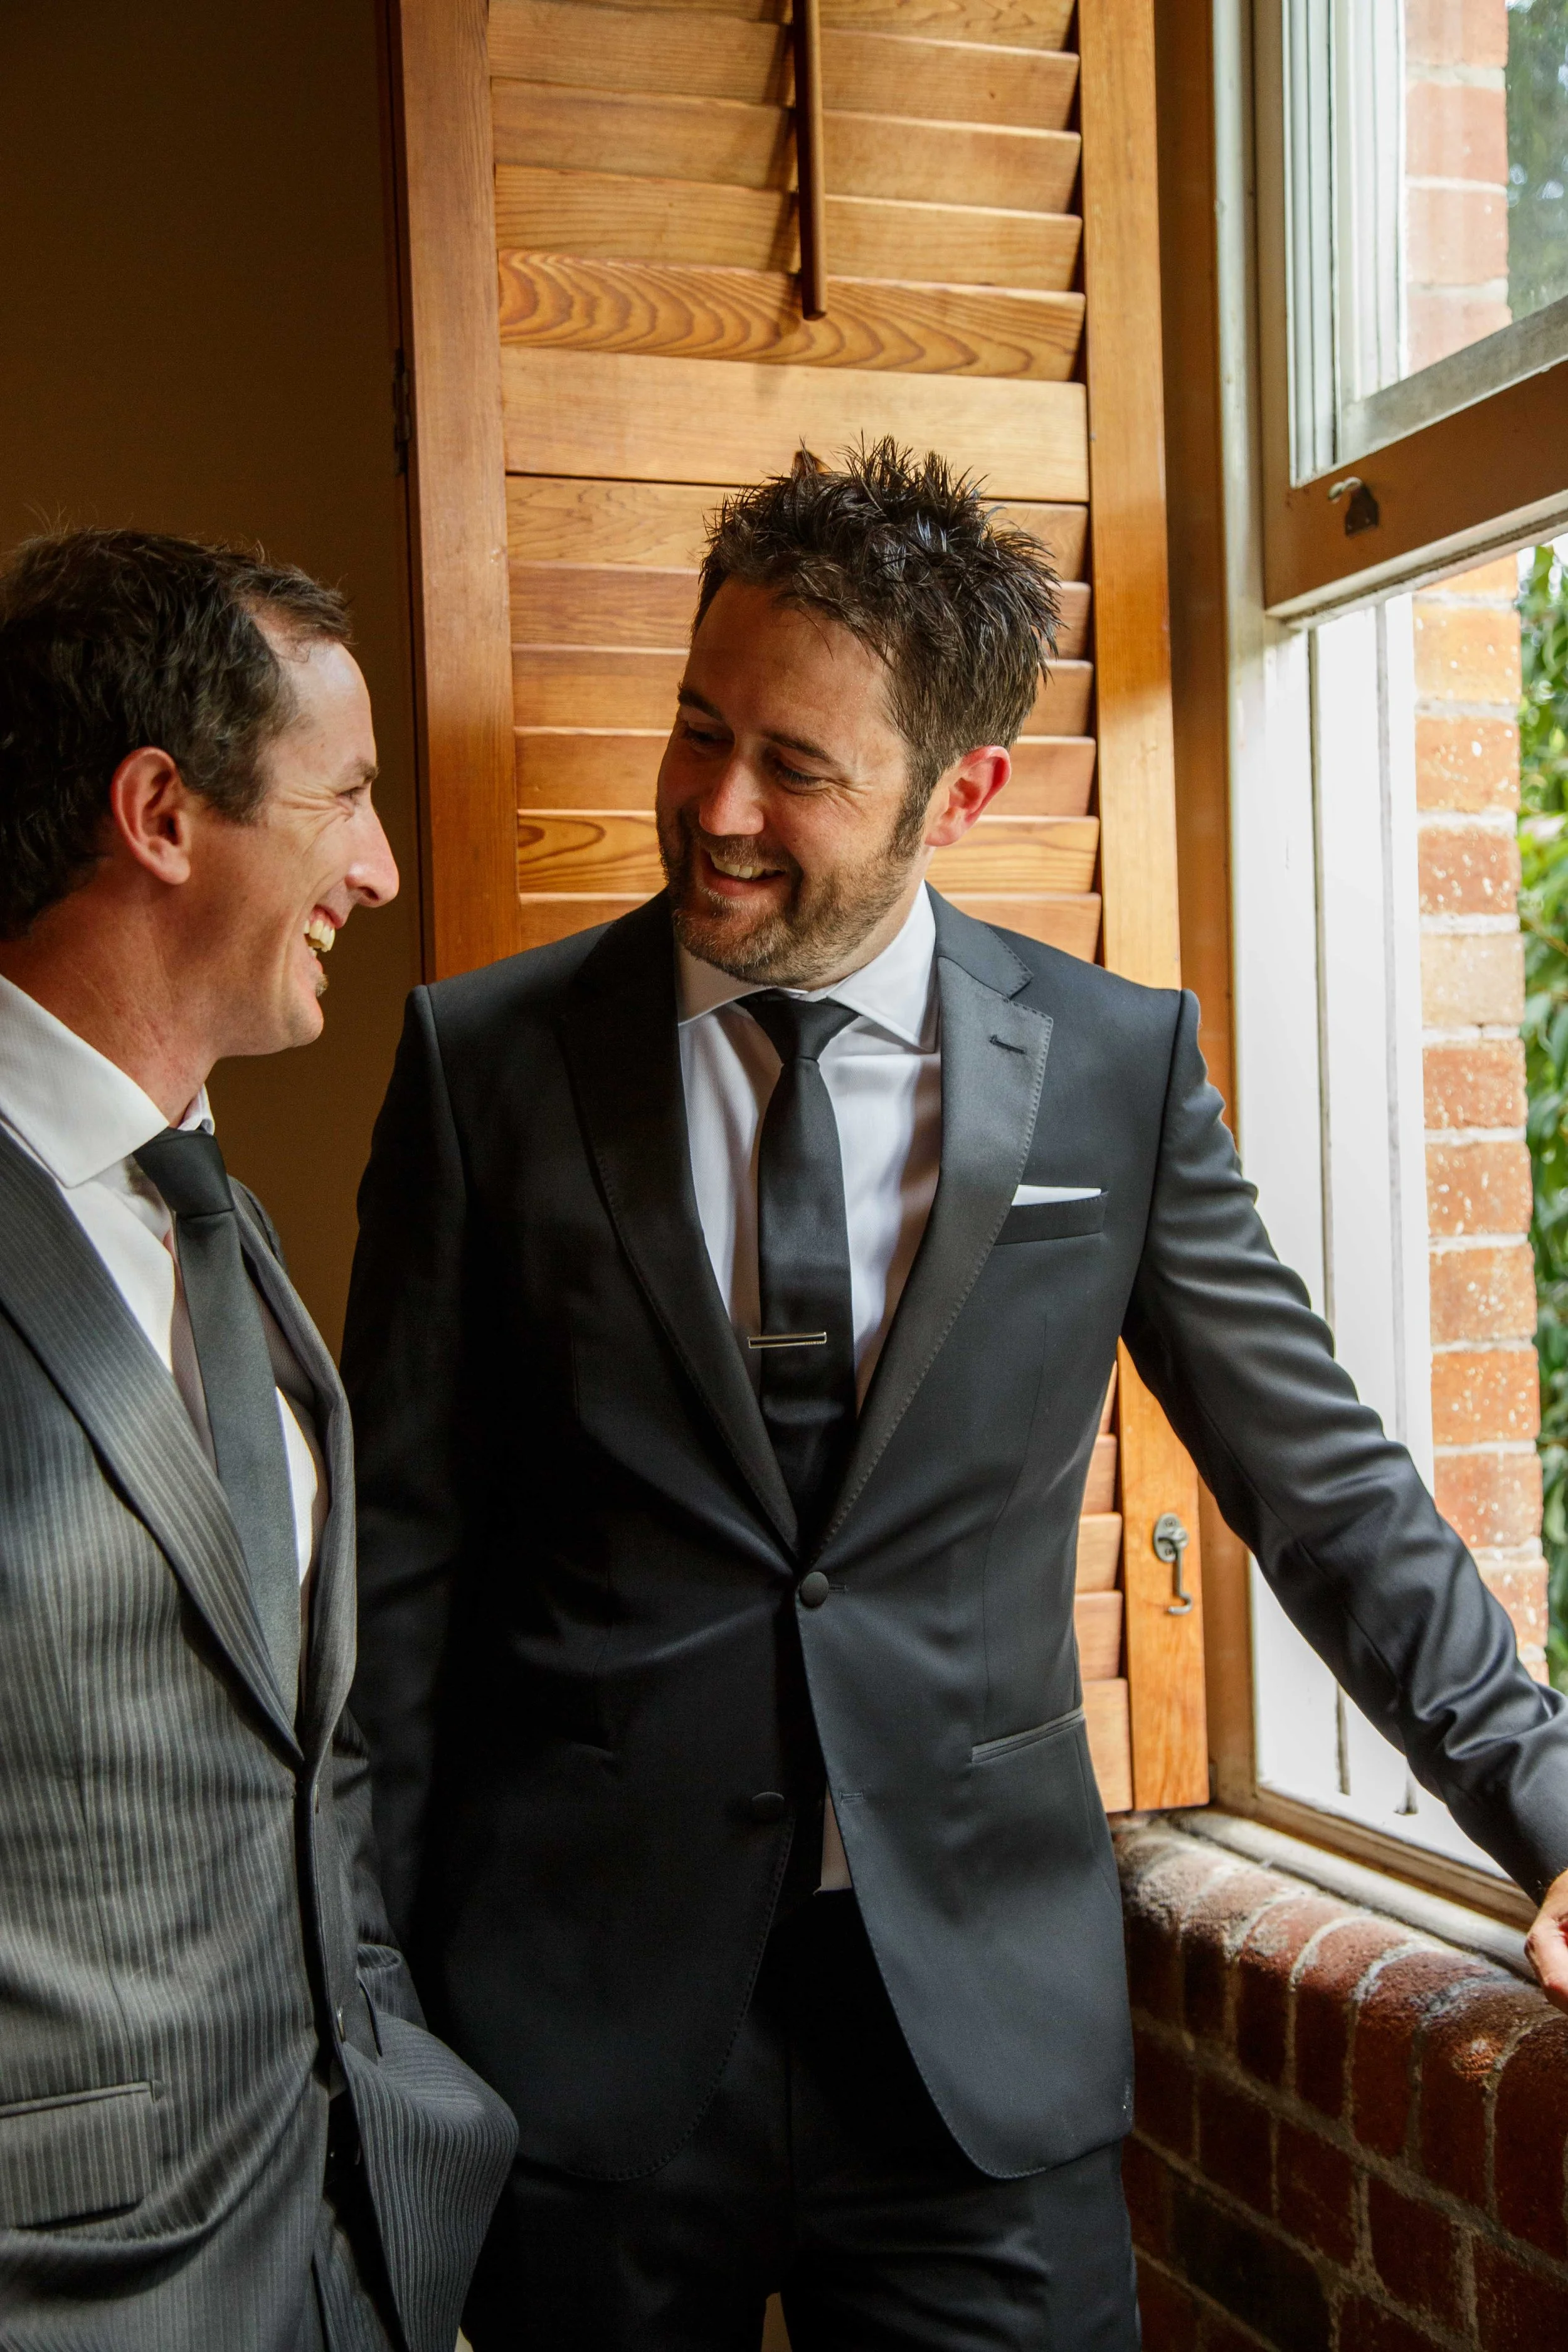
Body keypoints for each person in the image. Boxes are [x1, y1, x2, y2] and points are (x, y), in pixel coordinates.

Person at [343, 443, 1568, 2352]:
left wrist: (1550, 1809)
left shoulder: (1110, 1072)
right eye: (698, 728)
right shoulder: (479, 1068)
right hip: (575, 2038)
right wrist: (376, 2016)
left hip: (970, 2059)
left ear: (963, 791)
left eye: (799, 769)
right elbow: (396, 1576)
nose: (716, 808)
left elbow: (1316, 1482)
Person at [0, 529, 516, 2352]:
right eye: (349, 796)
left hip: (338, 2260)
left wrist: (394, 2222)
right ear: (162, 812)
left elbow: (308, 1775)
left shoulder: (218, 1214)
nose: (377, 869)